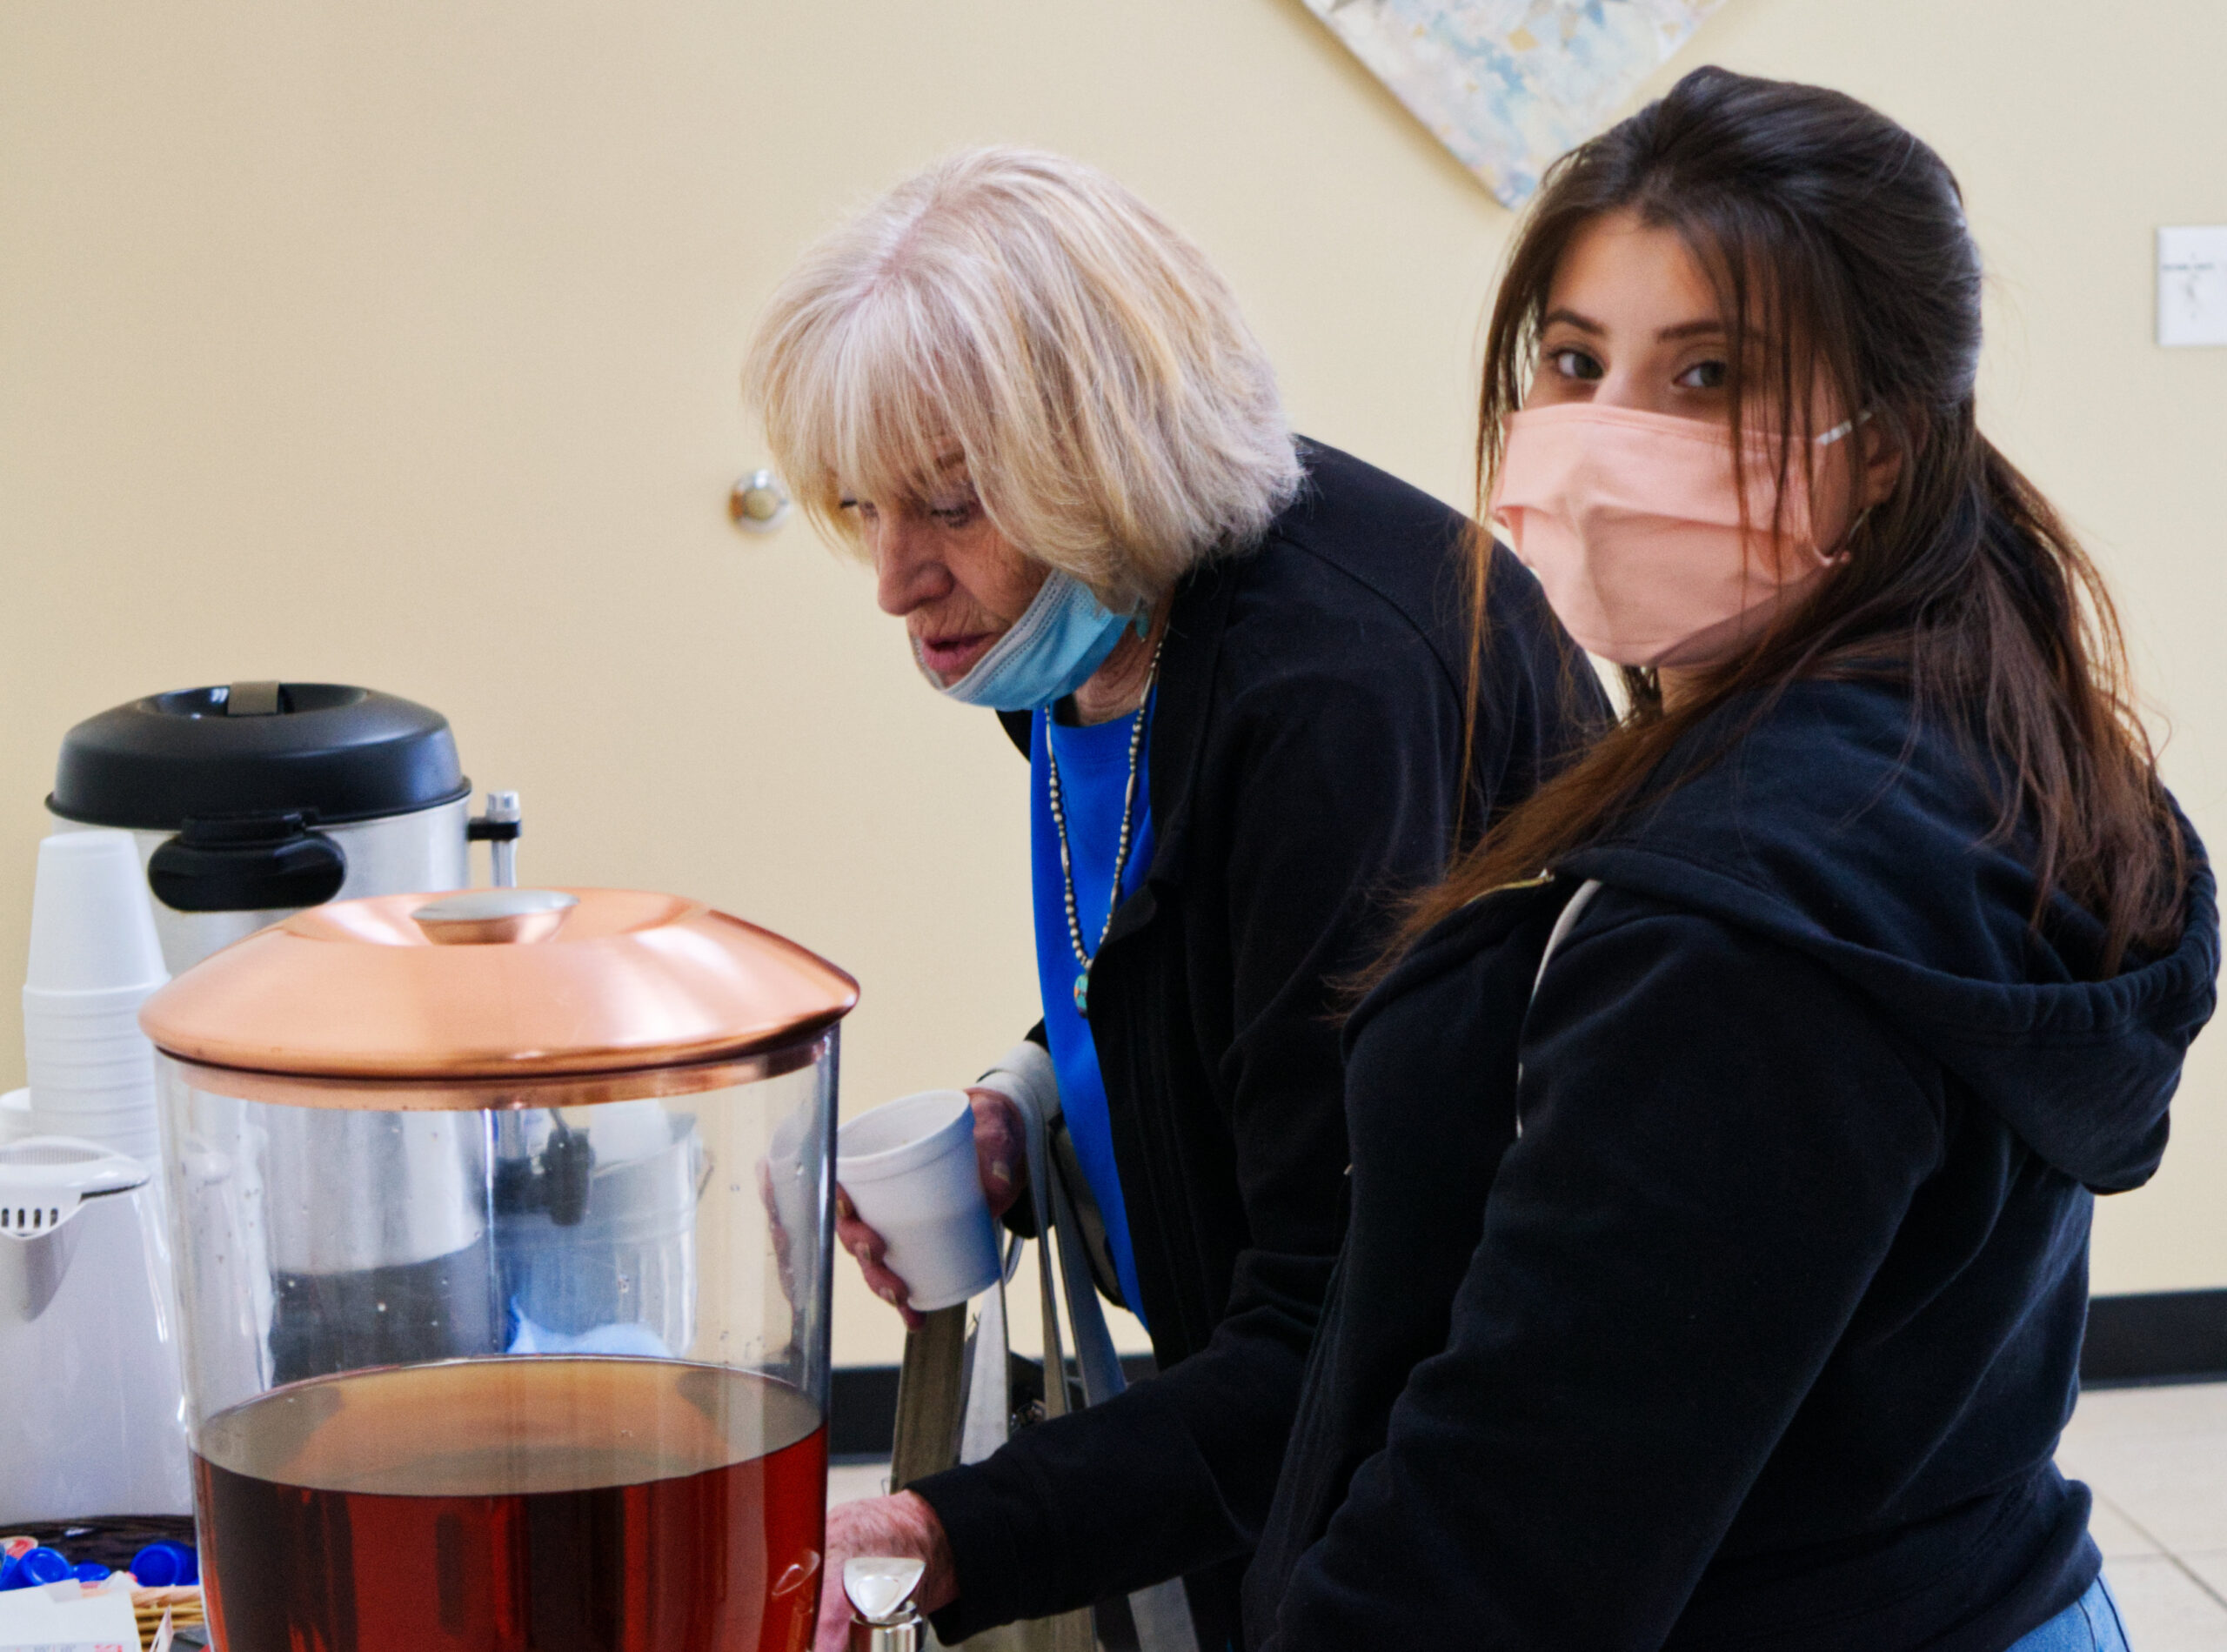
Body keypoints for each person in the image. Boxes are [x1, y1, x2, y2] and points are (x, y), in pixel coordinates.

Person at [1243, 67, 2216, 1652]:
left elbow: (1511, 1541)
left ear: (1887, 443)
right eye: (1575, 360)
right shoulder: (1967, 719)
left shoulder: (1744, 925)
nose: (1612, 438)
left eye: (1707, 379)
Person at [744, 147, 1605, 1649]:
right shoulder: (1081, 631)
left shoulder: (1329, 699)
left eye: (946, 505)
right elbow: (1176, 953)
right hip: (1264, 1406)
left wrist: (932, 1537)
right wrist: (1034, 1099)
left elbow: (1333, 1332)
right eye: (860, 506)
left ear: (1107, 461)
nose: (894, 579)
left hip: (1461, 1476)